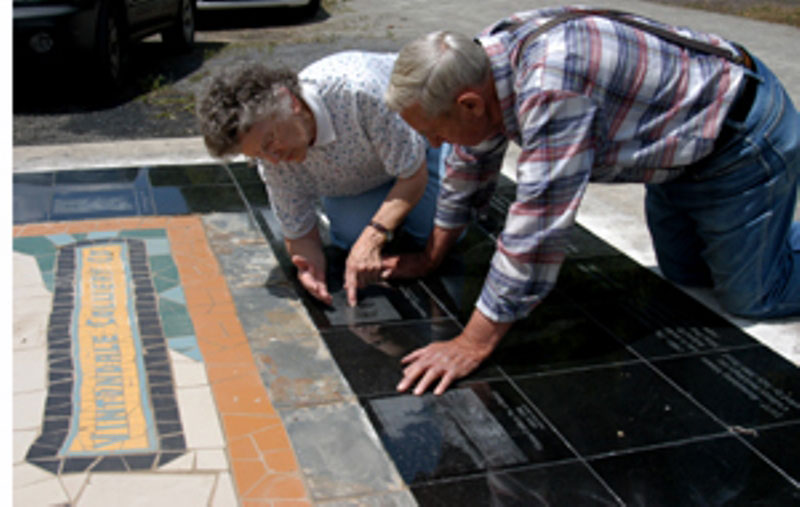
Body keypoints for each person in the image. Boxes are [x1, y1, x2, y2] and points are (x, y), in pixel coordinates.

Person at [381, 6, 800, 396]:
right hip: (679, 152)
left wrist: (472, 343)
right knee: (685, 275)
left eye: (435, 133)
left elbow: (538, 227)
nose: (433, 144)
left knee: (753, 297)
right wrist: (432, 257)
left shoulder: (551, 89)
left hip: (741, 141)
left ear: (469, 104)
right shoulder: (477, 62)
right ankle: (770, 233)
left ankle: (773, 232)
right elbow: (467, 164)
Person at [196, 52, 447, 307]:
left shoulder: (359, 95)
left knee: (434, 233)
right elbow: (299, 232)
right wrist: (310, 267)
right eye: (257, 155)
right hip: (367, 175)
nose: (273, 159)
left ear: (290, 101)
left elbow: (413, 175)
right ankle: (384, 210)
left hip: (422, 146)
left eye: (269, 142)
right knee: (352, 237)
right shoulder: (274, 158)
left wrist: (374, 236)